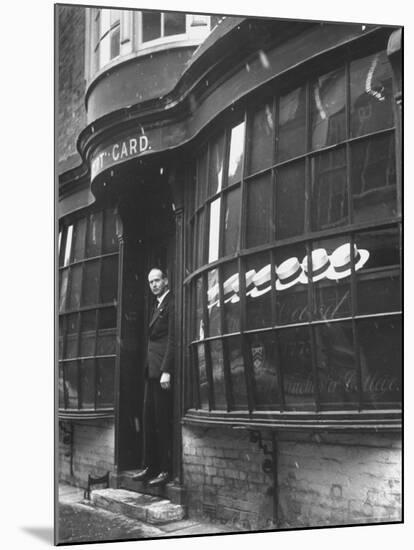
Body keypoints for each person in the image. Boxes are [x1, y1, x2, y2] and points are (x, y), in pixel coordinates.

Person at [133, 267, 174, 487]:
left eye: (157, 280)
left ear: (166, 281)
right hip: (151, 370)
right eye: (151, 282)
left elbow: (172, 339)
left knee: (162, 420)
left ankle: (166, 469)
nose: (154, 285)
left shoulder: (172, 303)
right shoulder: (156, 305)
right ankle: (150, 466)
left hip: (162, 373)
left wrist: (167, 370)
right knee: (149, 418)